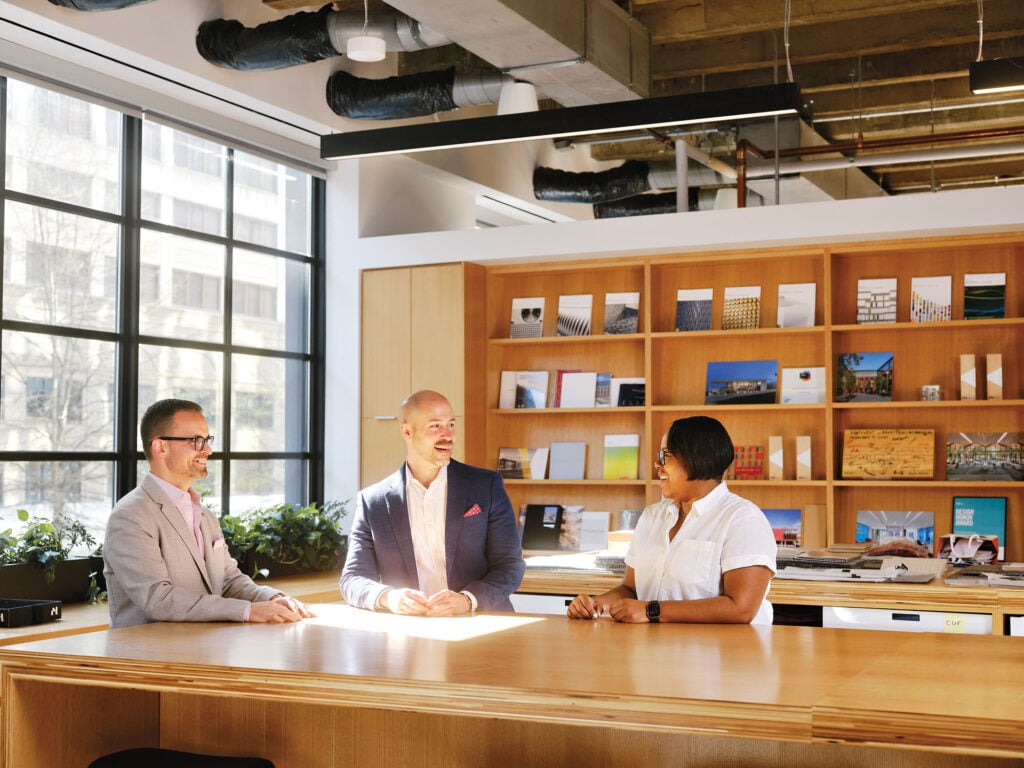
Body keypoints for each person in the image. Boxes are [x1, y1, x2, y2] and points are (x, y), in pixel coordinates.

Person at [104, 398, 314, 629]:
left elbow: (228, 581)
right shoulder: (130, 516)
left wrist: (271, 598)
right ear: (160, 447)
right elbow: (158, 599)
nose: (208, 450)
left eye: (206, 440)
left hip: (206, 651)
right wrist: (247, 610)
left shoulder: (204, 515)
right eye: (196, 441)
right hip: (152, 658)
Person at [567, 415, 776, 625]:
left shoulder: (743, 519)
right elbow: (630, 590)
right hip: (653, 650)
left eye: (665, 455)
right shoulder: (652, 517)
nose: (657, 464)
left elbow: (741, 609)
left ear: (697, 456)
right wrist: (596, 605)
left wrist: (652, 611)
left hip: (717, 655)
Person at [341, 390, 525, 615]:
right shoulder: (373, 502)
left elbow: (510, 565)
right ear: (407, 431)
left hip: (482, 622)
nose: (448, 435)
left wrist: (467, 600)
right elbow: (353, 579)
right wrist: (390, 597)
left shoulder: (486, 486)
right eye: (435, 426)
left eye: (451, 424)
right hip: (410, 633)